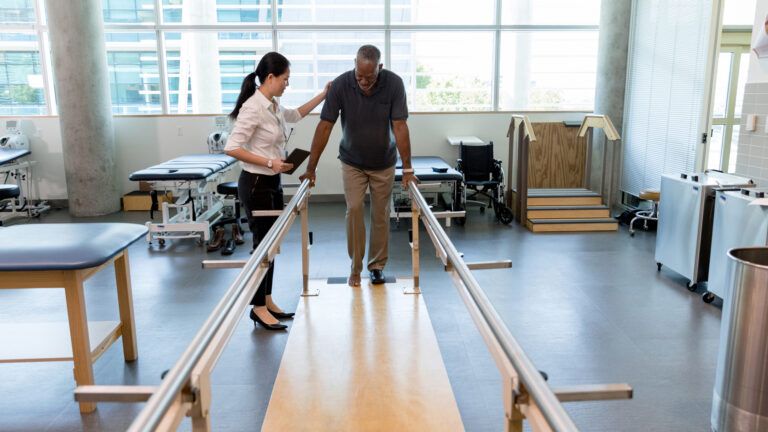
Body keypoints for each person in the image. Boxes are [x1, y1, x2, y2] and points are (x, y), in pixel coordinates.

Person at [225, 52, 329, 330]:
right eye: (285, 79)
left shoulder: (272, 104)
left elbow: (295, 115)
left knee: (272, 246)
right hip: (256, 183)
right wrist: (271, 162)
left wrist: (323, 95)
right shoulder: (253, 107)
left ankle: (267, 299)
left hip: (272, 181)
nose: (287, 84)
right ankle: (258, 307)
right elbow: (232, 147)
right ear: (270, 78)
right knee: (262, 247)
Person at [300, 45, 417, 287]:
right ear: (354, 64)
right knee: (353, 208)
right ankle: (355, 266)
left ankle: (376, 266)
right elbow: (324, 126)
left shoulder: (394, 84)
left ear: (380, 68)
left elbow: (400, 127)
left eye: (370, 77)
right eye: (359, 76)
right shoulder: (342, 85)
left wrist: (407, 169)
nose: (364, 82)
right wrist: (311, 168)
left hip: (384, 162)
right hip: (352, 161)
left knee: (380, 214)